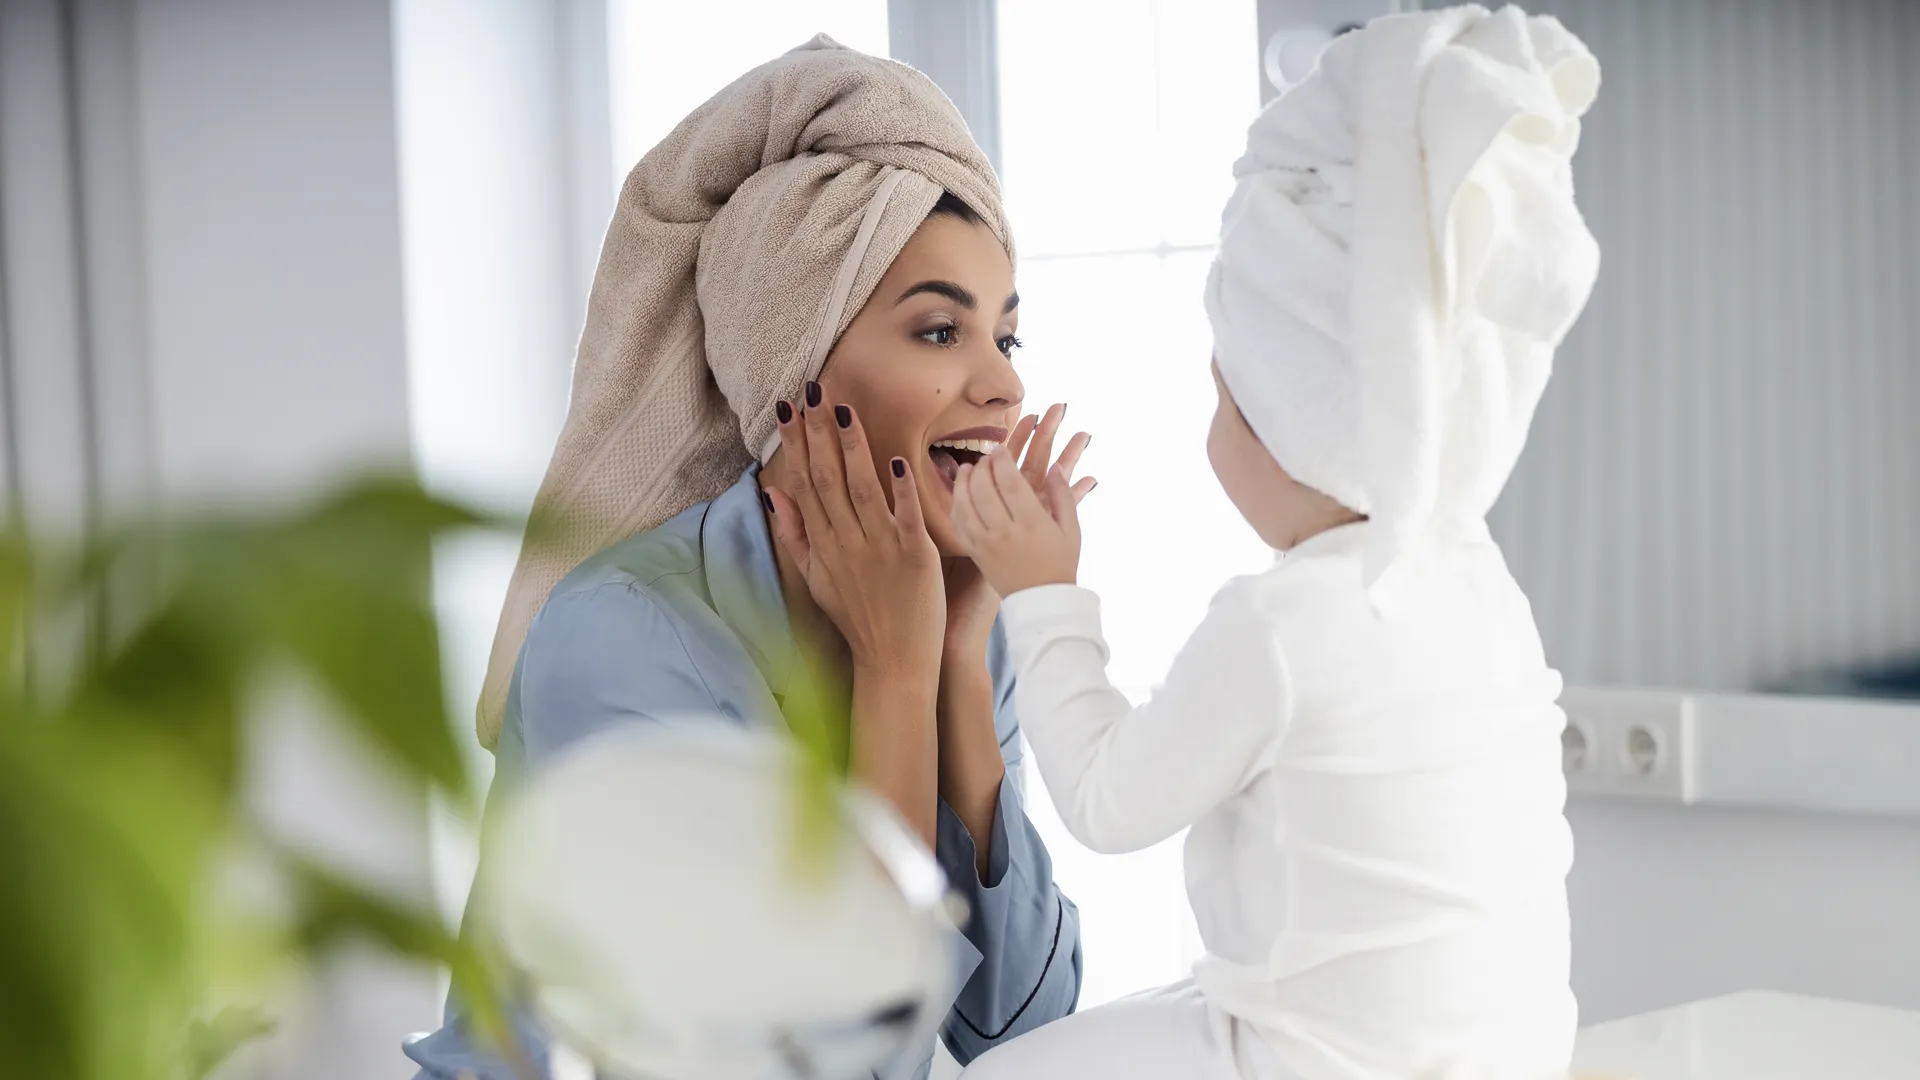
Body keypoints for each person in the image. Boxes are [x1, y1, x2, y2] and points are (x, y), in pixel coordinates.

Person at [404, 37, 1085, 1080]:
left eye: (1008, 337)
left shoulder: (947, 611)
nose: (1002, 388)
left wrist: (952, 663)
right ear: (797, 376)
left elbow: (1023, 1024)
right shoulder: (625, 633)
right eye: (941, 333)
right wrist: (897, 675)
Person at [945, 7, 1601, 1080]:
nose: (1214, 421)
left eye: (1225, 396)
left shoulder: (1288, 622)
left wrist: (1040, 590)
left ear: (1288, 418)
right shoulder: (1479, 588)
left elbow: (1110, 803)